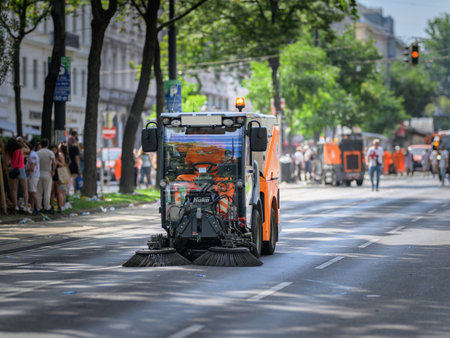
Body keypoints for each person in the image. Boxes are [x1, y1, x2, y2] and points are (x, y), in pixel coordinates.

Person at [5, 138, 30, 213]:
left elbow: (6, 163)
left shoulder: (8, 152)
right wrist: (23, 143)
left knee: (14, 190)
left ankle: (16, 206)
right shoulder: (21, 149)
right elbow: (28, 150)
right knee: (25, 189)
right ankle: (26, 206)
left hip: (13, 169)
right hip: (21, 169)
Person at [37, 138, 56, 213]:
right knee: (47, 191)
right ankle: (47, 207)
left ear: (41, 144)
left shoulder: (37, 152)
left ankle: (39, 207)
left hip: (39, 173)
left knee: (39, 191)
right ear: (48, 144)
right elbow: (54, 162)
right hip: (47, 172)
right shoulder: (50, 152)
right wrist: (53, 170)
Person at [26, 143, 40, 215]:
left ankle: (37, 208)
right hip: (33, 176)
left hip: (33, 176)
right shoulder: (32, 154)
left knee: (33, 192)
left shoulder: (32, 155)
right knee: (31, 193)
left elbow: (32, 168)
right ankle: (33, 208)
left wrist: (24, 170)